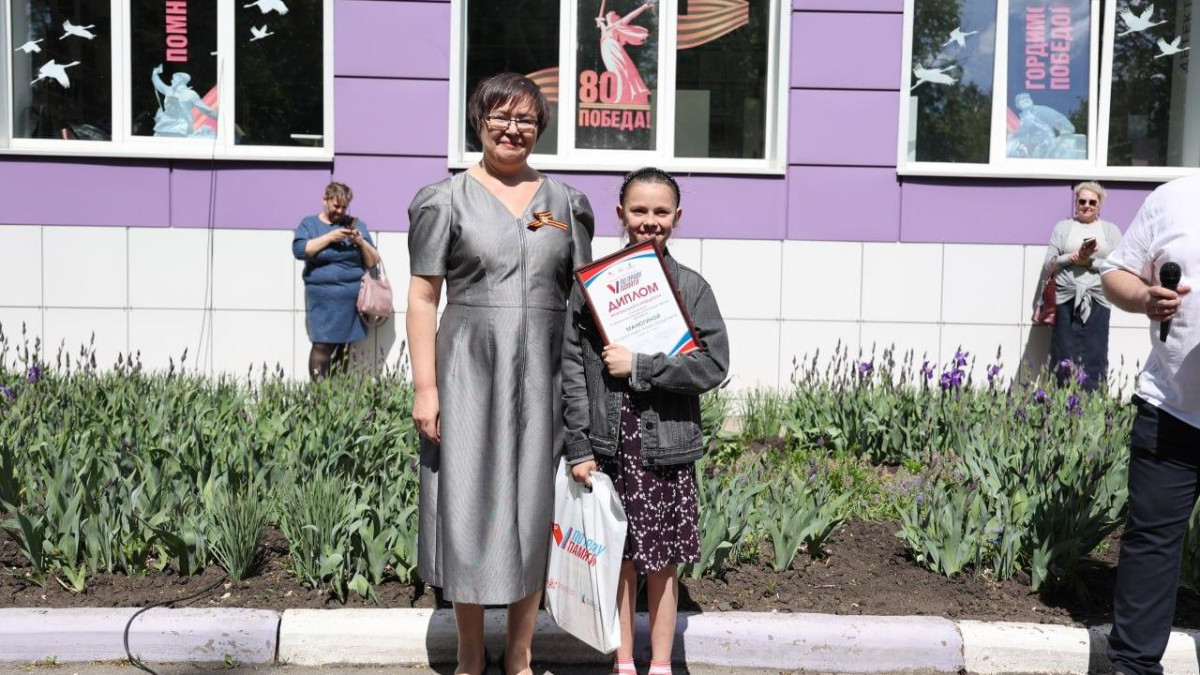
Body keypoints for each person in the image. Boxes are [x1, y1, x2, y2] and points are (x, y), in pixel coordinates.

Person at [405, 72, 594, 675]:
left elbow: (585, 297)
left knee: (535, 507)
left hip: (545, 372)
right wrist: (426, 388)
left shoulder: (566, 204)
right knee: (466, 503)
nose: (513, 129)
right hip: (468, 370)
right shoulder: (445, 200)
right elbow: (422, 298)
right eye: (501, 117)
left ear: (540, 128)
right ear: (479, 122)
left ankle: (519, 651)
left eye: (526, 119)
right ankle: (469, 650)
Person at [562, 167, 729, 675]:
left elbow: (714, 365)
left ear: (678, 217)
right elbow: (572, 369)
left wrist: (642, 365)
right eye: (639, 210)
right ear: (620, 214)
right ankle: (623, 661)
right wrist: (579, 446)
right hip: (609, 446)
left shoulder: (692, 288)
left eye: (661, 211)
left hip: (666, 448)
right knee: (619, 559)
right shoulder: (592, 289)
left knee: (663, 563)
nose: (649, 221)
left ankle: (659, 664)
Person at [1099, 172, 1200, 675]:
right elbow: (1115, 273)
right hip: (1170, 409)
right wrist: (1144, 299)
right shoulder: (1174, 197)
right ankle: (1133, 666)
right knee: (1151, 546)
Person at [1037, 181, 1122, 391]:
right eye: (1082, 201)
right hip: (1065, 299)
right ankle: (1061, 400)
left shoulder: (1110, 230)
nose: (1087, 206)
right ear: (1075, 203)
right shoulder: (1063, 227)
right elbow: (1049, 264)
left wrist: (1090, 263)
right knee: (1062, 352)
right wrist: (1071, 258)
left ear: (1099, 205)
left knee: (1095, 353)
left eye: (1092, 202)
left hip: (1098, 299)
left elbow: (1119, 266)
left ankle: (1092, 400)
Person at [292, 181, 381, 378]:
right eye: (336, 206)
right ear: (325, 200)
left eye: (344, 207)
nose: (340, 211)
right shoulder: (310, 224)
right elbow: (300, 250)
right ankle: (319, 392)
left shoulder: (356, 225)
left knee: (344, 345)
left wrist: (361, 242)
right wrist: (330, 237)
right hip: (322, 298)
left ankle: (338, 392)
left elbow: (373, 260)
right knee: (322, 343)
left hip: (350, 299)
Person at [596, 0, 655, 106]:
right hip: (606, 51)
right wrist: (599, 22)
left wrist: (643, 7)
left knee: (621, 70)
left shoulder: (617, 24)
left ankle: (625, 95)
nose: (609, 16)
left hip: (614, 49)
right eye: (608, 15)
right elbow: (601, 24)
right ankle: (619, 95)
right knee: (613, 71)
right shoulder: (605, 29)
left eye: (612, 15)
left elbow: (631, 16)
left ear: (615, 18)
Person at [150, 65, 218, 138]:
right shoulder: (169, 90)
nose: (171, 80)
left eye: (173, 79)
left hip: (180, 129)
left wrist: (220, 117)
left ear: (179, 80)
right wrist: (155, 73)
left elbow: (206, 110)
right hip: (163, 126)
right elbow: (158, 84)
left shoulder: (191, 94)